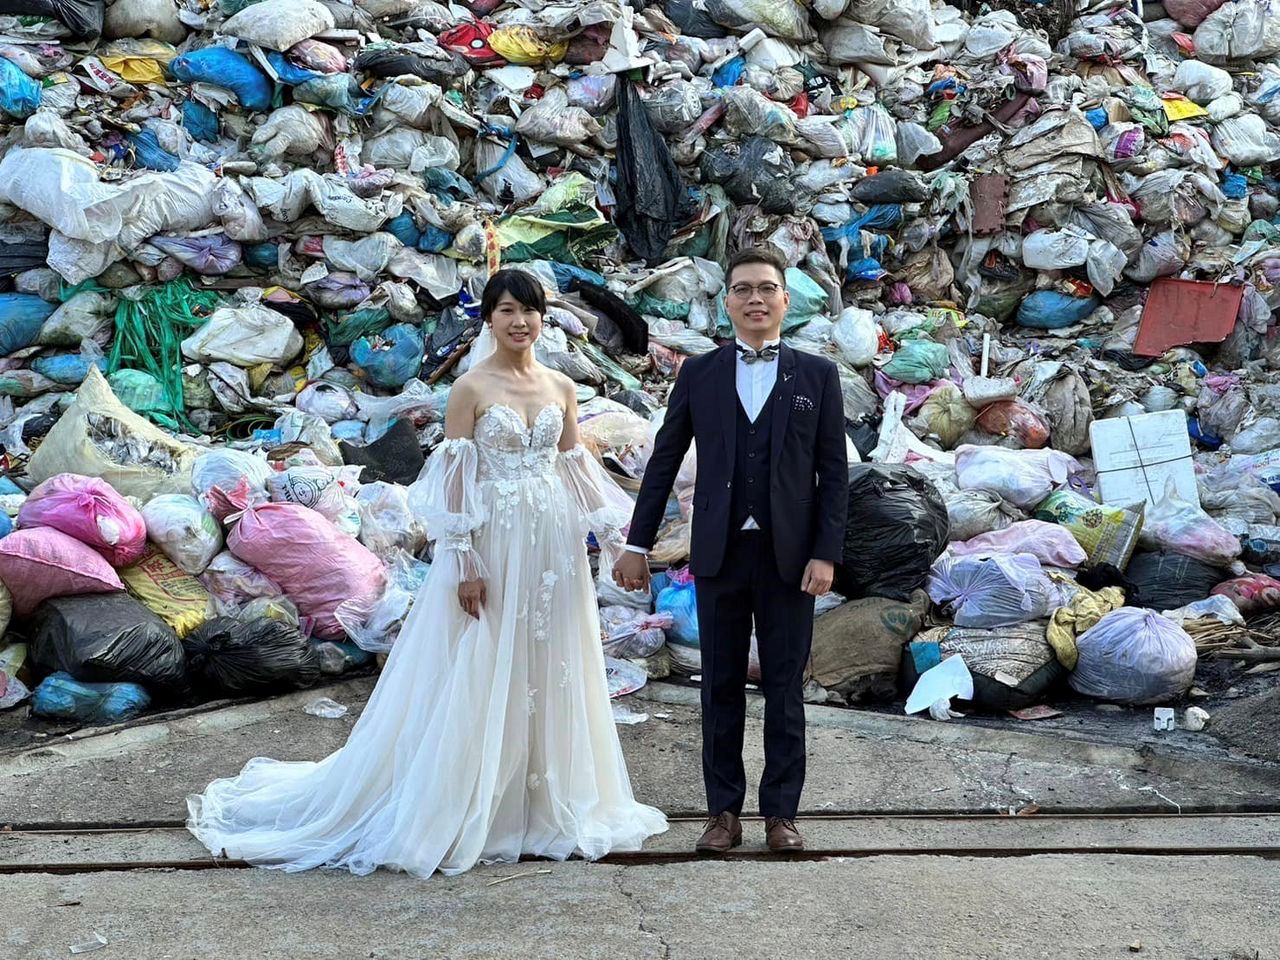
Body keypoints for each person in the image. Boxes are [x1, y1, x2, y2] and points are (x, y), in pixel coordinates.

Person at [187, 269, 667, 877]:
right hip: (493, 539)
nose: (519, 321)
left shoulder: (561, 386)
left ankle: (542, 798)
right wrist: (463, 560)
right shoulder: (470, 387)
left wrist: (619, 541)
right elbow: (457, 479)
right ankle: (474, 799)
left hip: (552, 543)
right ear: (489, 320)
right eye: (507, 310)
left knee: (551, 656)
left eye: (529, 310)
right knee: (483, 655)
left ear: (542, 319)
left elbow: (574, 467)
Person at [613, 246, 849, 855]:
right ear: (727, 302)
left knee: (784, 687)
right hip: (718, 553)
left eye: (766, 288)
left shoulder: (817, 375)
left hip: (790, 558)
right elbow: (664, 461)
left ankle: (781, 815)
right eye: (742, 288)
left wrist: (825, 553)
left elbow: (833, 473)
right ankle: (722, 813)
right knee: (718, 686)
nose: (755, 299)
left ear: (785, 300)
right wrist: (637, 543)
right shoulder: (700, 373)